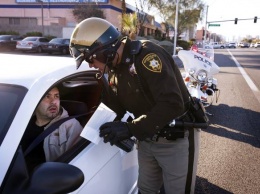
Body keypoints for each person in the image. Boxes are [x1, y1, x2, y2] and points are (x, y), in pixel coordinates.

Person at [69, 17, 200, 194]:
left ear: (104, 52)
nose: (91, 65)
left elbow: (172, 104)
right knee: (145, 190)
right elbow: (114, 107)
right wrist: (87, 131)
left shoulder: (147, 57)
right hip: (147, 139)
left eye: (90, 59)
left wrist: (130, 129)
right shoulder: (114, 69)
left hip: (175, 141)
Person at [21, 86, 83, 172]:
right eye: (47, 96)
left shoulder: (70, 126)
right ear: (35, 101)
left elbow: (77, 165)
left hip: (47, 182)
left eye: (56, 96)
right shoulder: (23, 124)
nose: (53, 101)